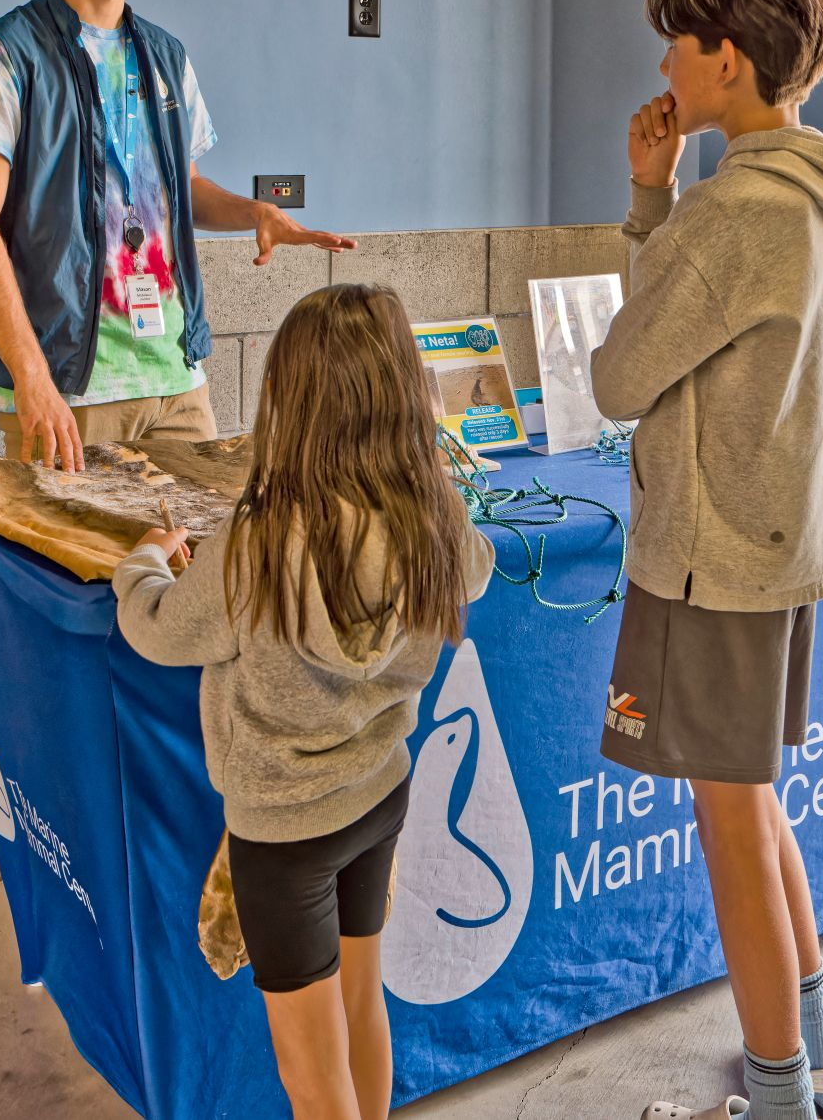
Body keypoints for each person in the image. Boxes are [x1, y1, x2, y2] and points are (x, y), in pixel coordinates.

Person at [590, 0, 823, 1120]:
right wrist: (661, 198)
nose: (664, 60)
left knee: (727, 823)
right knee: (753, 797)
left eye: (679, 38)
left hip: (712, 561)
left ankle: (773, 1099)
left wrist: (647, 208)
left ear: (725, 58)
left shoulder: (728, 216)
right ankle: (816, 1056)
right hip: (782, 551)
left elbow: (621, 377)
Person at [112, 284, 495, 1120]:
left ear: (291, 399)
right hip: (379, 798)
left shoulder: (259, 538)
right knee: (364, 1007)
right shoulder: (437, 514)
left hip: (283, 834)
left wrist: (143, 561)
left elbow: (160, 632)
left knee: (310, 1075)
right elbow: (476, 569)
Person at [0, 0, 356, 472]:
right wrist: (30, 377)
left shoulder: (165, 55)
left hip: (175, 381)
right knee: (77, 569)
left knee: (193, 561)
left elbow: (182, 191)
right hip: (68, 387)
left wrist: (255, 212)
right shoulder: (1, 55)